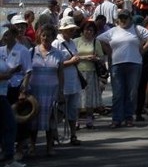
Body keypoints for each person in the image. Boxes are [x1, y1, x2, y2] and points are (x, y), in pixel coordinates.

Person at [97, 9, 148, 128]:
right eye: (121, 18)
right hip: (117, 64)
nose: (123, 20)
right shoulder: (113, 31)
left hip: (134, 63)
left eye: (125, 18)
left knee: (131, 92)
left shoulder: (137, 29)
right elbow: (100, 39)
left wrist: (143, 49)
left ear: (130, 18)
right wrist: (109, 52)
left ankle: (129, 117)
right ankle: (117, 118)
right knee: (118, 93)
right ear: (118, 19)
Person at [27, 24, 64, 156]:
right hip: (34, 92)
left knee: (50, 120)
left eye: (49, 35)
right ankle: (32, 147)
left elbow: (60, 74)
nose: (46, 38)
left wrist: (61, 92)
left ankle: (50, 147)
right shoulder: (31, 52)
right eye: (43, 35)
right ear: (39, 36)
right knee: (32, 120)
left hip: (51, 92)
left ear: (53, 37)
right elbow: (27, 72)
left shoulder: (58, 54)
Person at [53, 17, 83, 145]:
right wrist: (71, 62)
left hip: (73, 80)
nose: (71, 31)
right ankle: (54, 136)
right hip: (61, 81)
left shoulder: (72, 42)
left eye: (72, 29)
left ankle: (73, 135)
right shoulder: (56, 43)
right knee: (58, 111)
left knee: (72, 109)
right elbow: (55, 64)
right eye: (69, 29)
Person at [0, 24, 26, 167]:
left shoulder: (3, 53)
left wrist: (13, 71)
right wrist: (8, 75)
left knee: (7, 125)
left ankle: (7, 155)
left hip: (3, 93)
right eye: (4, 35)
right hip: (1, 95)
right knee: (10, 125)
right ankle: (9, 158)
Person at [73, 21, 105, 129]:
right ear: (82, 30)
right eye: (87, 29)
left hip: (92, 72)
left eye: (91, 30)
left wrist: (96, 59)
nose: (89, 32)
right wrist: (83, 58)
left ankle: (89, 119)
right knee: (78, 96)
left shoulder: (96, 42)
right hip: (78, 72)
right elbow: (72, 57)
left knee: (90, 97)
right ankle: (76, 120)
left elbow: (102, 58)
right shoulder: (76, 41)